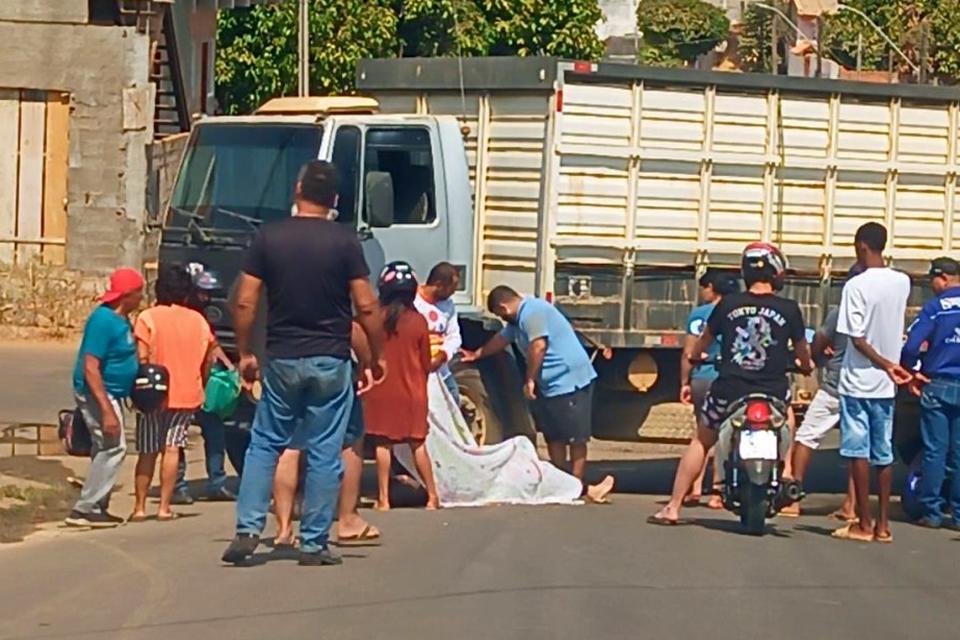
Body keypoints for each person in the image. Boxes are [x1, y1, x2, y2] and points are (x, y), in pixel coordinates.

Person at [221, 160, 385, 566]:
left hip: (282, 358)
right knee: (326, 449)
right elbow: (365, 305)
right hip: (331, 359)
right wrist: (376, 356)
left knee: (266, 443)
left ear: (296, 189)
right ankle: (314, 542)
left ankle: (248, 528)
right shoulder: (346, 243)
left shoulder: (268, 238)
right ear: (334, 200)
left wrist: (245, 352)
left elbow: (244, 300)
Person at [648, 243, 813, 526]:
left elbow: (703, 342)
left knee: (701, 439)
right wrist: (806, 365)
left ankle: (673, 507)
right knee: (786, 415)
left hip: (729, 390)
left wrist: (697, 355)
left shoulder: (729, 304)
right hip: (772, 390)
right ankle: (785, 470)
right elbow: (802, 353)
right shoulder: (789, 309)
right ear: (775, 272)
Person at [462, 286, 599, 486]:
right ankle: (561, 478)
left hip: (570, 380)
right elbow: (501, 339)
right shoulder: (517, 321)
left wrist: (530, 379)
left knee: (576, 435)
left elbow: (538, 346)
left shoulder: (532, 312)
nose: (501, 318)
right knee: (554, 434)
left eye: (499, 314)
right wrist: (477, 354)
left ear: (503, 307)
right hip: (551, 385)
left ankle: (576, 481)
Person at [832, 222, 911, 544]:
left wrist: (886, 364)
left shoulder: (856, 286)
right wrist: (892, 367)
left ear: (861, 246)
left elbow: (857, 339)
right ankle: (883, 525)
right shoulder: (902, 282)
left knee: (857, 451)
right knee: (883, 453)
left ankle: (863, 523)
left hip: (858, 380)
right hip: (885, 385)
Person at [271, 322, 382, 547]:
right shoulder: (333, 286)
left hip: (285, 362)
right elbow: (352, 327)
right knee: (348, 442)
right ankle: (347, 519)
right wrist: (367, 360)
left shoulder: (279, 287)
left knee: (290, 446)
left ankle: (283, 527)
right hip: (329, 364)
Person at [131, 265, 216, 522]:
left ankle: (140, 507)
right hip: (187, 393)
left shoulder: (147, 318)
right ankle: (164, 507)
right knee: (172, 448)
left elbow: (142, 357)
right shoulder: (199, 321)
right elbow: (208, 359)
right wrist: (201, 380)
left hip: (152, 395)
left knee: (147, 449)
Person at [65, 268, 145, 528]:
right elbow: (90, 366)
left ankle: (98, 504)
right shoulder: (103, 321)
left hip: (114, 392)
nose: (142, 298)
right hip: (98, 391)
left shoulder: (122, 321)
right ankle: (85, 507)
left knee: (104, 446)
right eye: (139, 293)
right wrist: (106, 410)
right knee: (114, 445)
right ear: (127, 295)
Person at [363, 262, 441, 511]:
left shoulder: (375, 319)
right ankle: (432, 496)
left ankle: (384, 499)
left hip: (381, 390)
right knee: (418, 444)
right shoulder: (418, 322)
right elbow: (426, 362)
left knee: (383, 445)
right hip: (413, 391)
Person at [788, 268, 863, 521]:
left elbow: (818, 343)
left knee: (807, 437)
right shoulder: (878, 312)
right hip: (866, 389)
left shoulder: (840, 313)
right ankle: (851, 506)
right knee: (858, 449)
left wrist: (816, 361)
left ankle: (793, 498)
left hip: (835, 386)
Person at [900, 257, 960, 530]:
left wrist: (911, 370)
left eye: (932, 281)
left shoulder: (936, 308)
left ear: (943, 278)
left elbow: (912, 345)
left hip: (938, 384)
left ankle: (933, 512)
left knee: (935, 450)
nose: (932, 286)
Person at [171, 267, 237, 505]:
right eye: (202, 293)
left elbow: (212, 345)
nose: (206, 298)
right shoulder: (186, 316)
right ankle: (177, 486)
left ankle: (216, 483)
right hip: (187, 383)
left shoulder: (204, 318)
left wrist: (230, 368)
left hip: (201, 385)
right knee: (176, 439)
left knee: (215, 433)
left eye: (209, 293)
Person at [680, 270, 740, 509]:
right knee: (727, 435)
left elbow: (688, 352)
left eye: (704, 286)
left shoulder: (699, 315)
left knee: (703, 435)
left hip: (703, 378)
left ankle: (694, 488)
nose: (702, 291)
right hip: (730, 378)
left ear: (712, 288)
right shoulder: (737, 312)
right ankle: (718, 492)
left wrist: (684, 381)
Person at [415, 262, 462, 404]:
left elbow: (454, 336)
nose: (454, 292)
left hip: (442, 372)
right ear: (438, 284)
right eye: (451, 288)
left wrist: (442, 355)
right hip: (417, 372)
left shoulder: (448, 306)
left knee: (454, 403)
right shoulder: (414, 301)